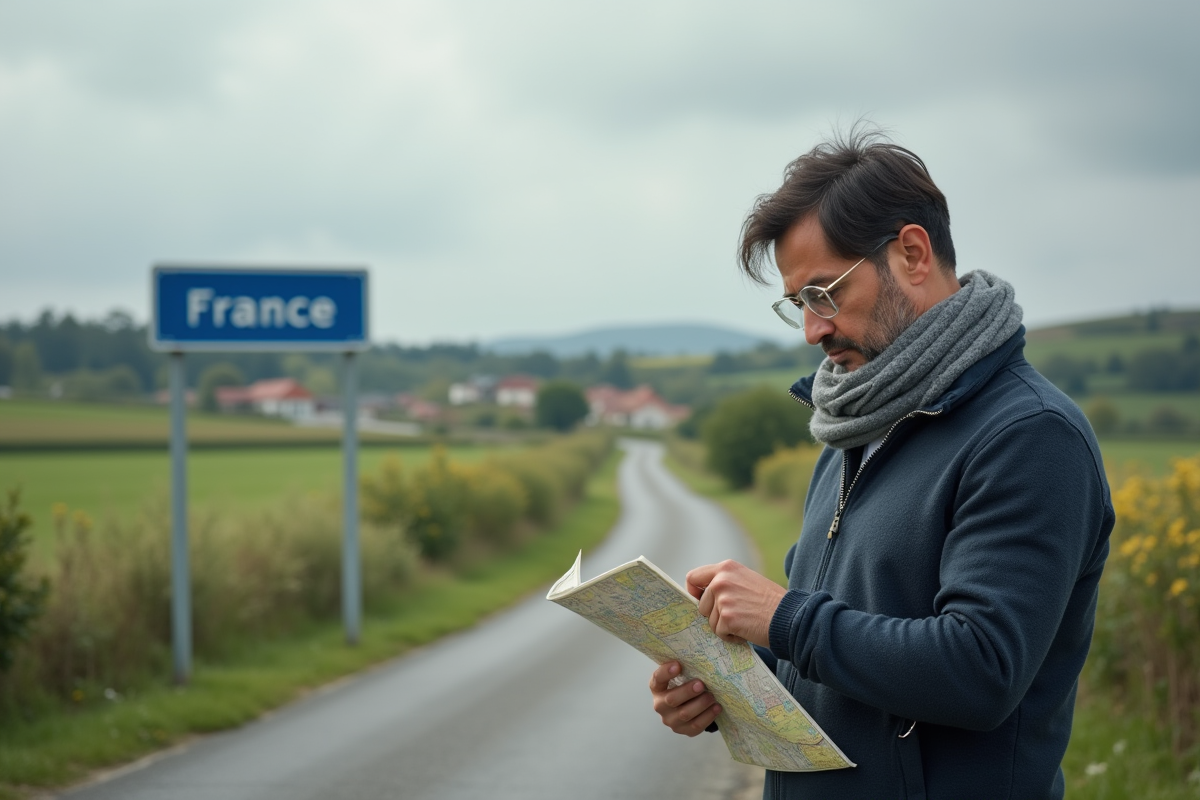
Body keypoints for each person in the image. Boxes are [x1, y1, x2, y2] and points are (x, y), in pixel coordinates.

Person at [649, 128, 1114, 799]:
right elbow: (835, 661)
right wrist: (721, 689)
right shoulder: (855, 426)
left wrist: (783, 618)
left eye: (824, 293)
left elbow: (980, 671)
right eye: (798, 305)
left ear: (912, 254)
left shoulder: (1031, 437)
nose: (814, 329)